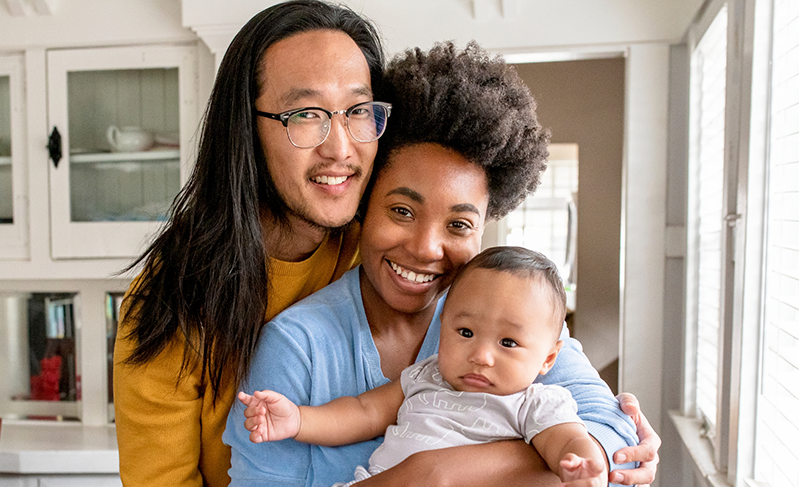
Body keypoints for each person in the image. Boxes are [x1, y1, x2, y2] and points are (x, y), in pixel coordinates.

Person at [224, 41, 656, 486]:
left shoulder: (517, 319)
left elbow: (612, 444)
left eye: (459, 224)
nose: (427, 248)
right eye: (402, 211)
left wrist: (437, 472)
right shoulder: (298, 347)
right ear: (363, 204)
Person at [112, 2, 385, 485]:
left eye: (358, 111)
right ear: (245, 129)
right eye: (305, 114)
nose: (341, 148)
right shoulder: (171, 299)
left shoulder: (385, 253)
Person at [240, 247, 610, 487]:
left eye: (508, 343)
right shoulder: (426, 375)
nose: (481, 355)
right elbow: (364, 412)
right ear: (443, 323)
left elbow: (569, 440)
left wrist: (582, 465)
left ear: (548, 358)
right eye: (465, 332)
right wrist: (299, 420)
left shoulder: (536, 403)